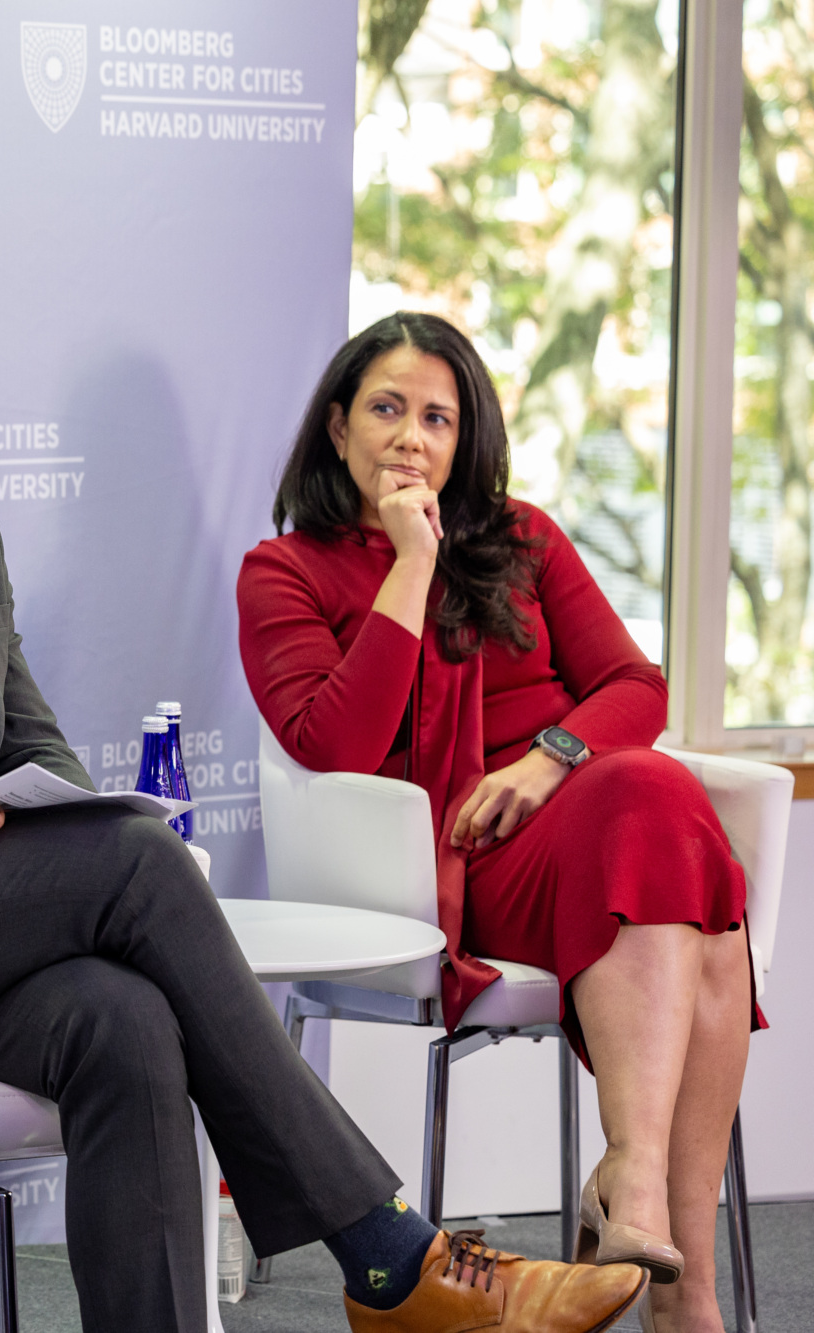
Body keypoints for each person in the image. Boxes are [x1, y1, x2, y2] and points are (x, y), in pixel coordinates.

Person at [0, 213, 646, 1333]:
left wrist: (59, 807)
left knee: (124, 1016)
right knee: (136, 866)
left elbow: (32, 746)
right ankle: (391, 1257)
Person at [238, 312, 761, 1333]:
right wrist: (407, 561)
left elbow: (629, 685)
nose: (411, 438)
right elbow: (331, 742)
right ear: (337, 427)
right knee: (688, 878)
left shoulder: (521, 536)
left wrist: (546, 760)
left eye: (437, 417)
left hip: (569, 821)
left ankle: (636, 1186)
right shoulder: (283, 570)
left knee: (645, 799)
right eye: (386, 409)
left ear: (462, 440)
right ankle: (680, 1286)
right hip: (434, 860)